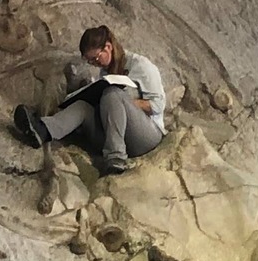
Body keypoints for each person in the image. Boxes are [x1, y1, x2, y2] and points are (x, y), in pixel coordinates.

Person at [14, 23, 166, 175]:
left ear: (108, 47)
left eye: (96, 58)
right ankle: (43, 131)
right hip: (117, 134)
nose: (95, 64)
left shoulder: (141, 65)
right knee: (82, 106)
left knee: (112, 94)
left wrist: (124, 104)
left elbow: (157, 105)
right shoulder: (105, 73)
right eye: (91, 61)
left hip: (146, 136)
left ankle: (116, 160)